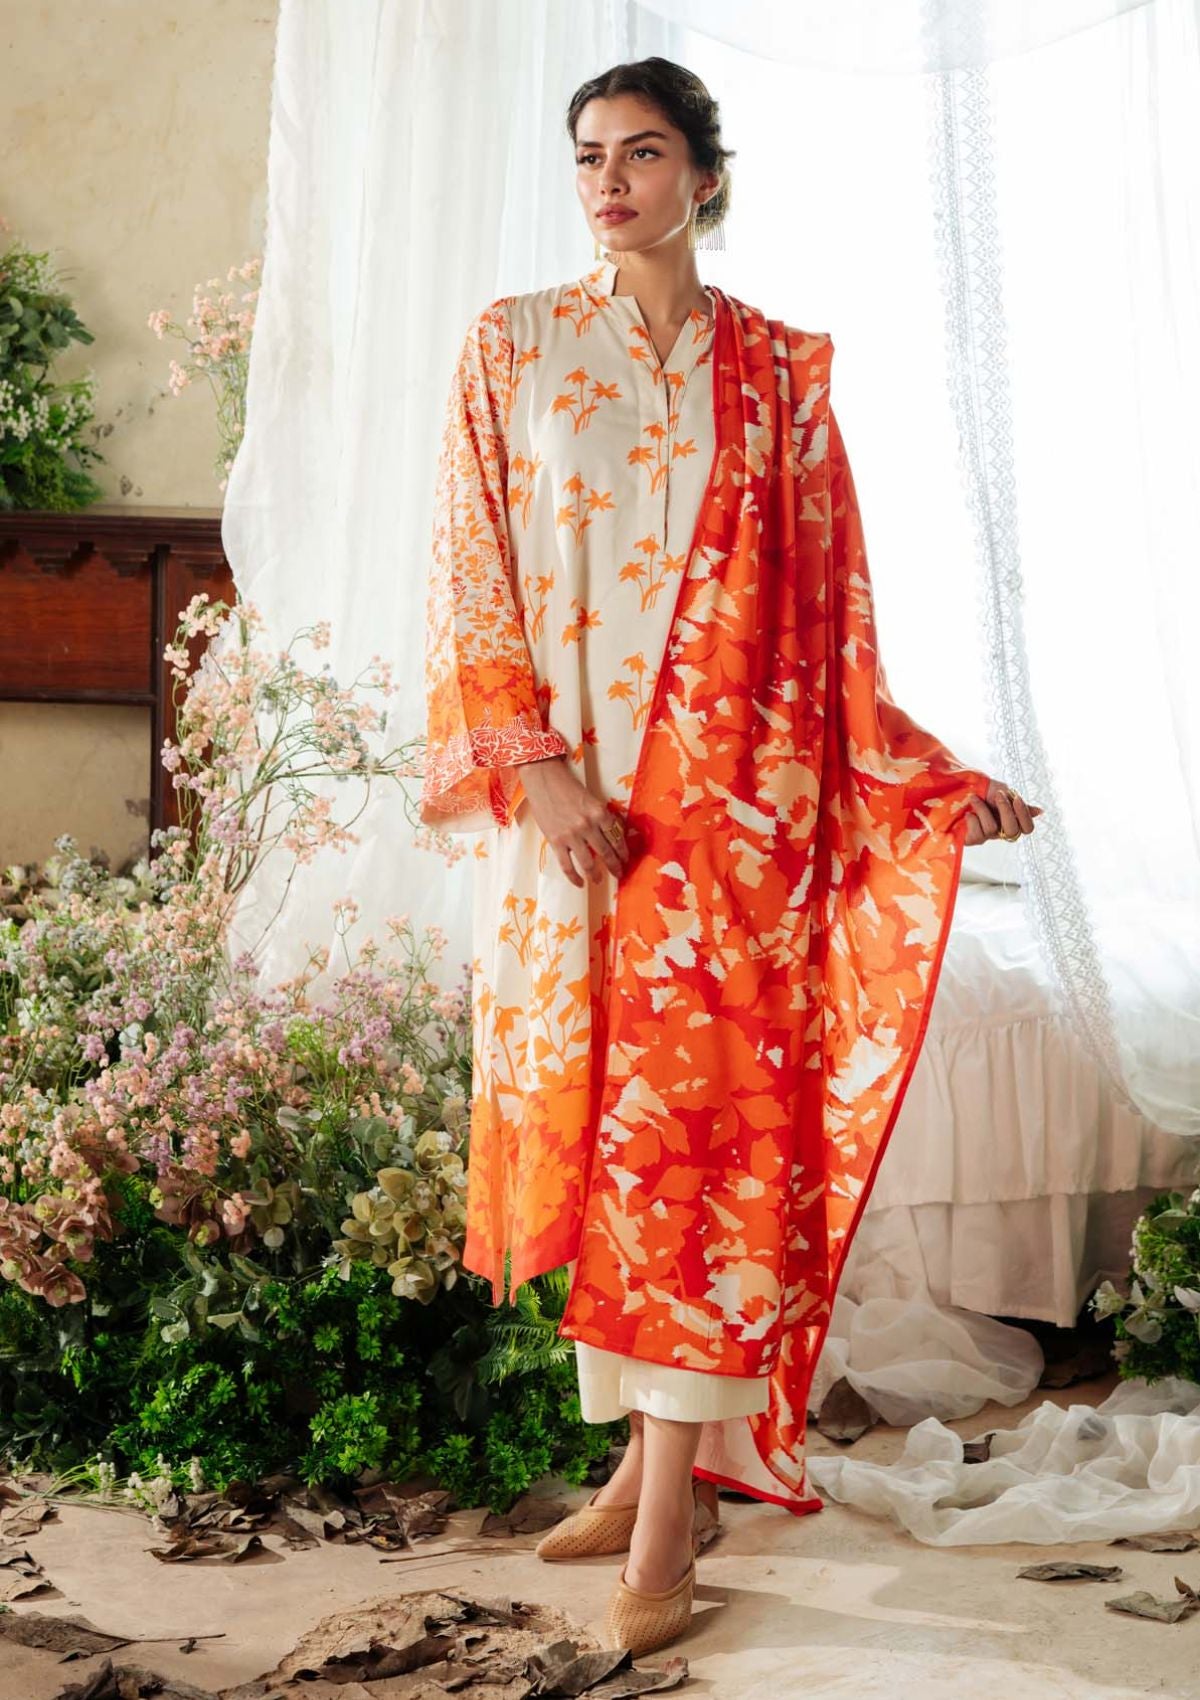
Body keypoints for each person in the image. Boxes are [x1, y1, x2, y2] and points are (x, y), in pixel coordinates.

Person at [420, 56, 1041, 1659]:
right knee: (601, 1134)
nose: (608, 182)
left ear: (705, 174)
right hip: (570, 816)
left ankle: (667, 1518)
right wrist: (534, 770)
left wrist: (923, 782)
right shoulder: (512, 343)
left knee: (691, 1150)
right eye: (587, 157)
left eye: (641, 153)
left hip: (728, 826)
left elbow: (834, 626)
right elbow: (472, 570)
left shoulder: (777, 375)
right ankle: (653, 1474)